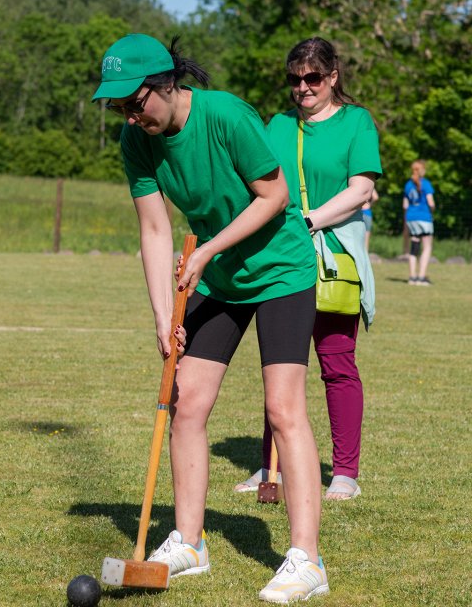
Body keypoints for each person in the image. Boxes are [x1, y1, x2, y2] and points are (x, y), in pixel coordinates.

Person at [93, 33, 328, 603]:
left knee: (283, 407)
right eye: (119, 106)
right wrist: (159, 313)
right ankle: (190, 543)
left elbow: (272, 197)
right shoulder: (138, 142)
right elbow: (154, 229)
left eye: (136, 101)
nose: (130, 114)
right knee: (187, 400)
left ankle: (306, 560)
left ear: (168, 84)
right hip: (220, 278)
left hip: (280, 270)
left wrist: (205, 250)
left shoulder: (225, 115)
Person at [234, 37, 380, 503]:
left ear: (333, 76)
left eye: (313, 77)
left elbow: (360, 190)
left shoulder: (357, 122)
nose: (303, 87)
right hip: (279, 258)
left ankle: (344, 473)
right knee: (279, 366)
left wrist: (309, 219)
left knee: (337, 365)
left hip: (332, 254)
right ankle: (267, 469)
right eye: (295, 79)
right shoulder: (275, 125)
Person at [404, 160, 436, 285]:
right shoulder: (426, 184)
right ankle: (421, 277)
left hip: (411, 218)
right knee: (427, 247)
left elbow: (405, 204)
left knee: (414, 247)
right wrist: (432, 211)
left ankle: (412, 277)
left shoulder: (408, 185)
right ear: (422, 170)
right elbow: (431, 202)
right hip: (424, 218)